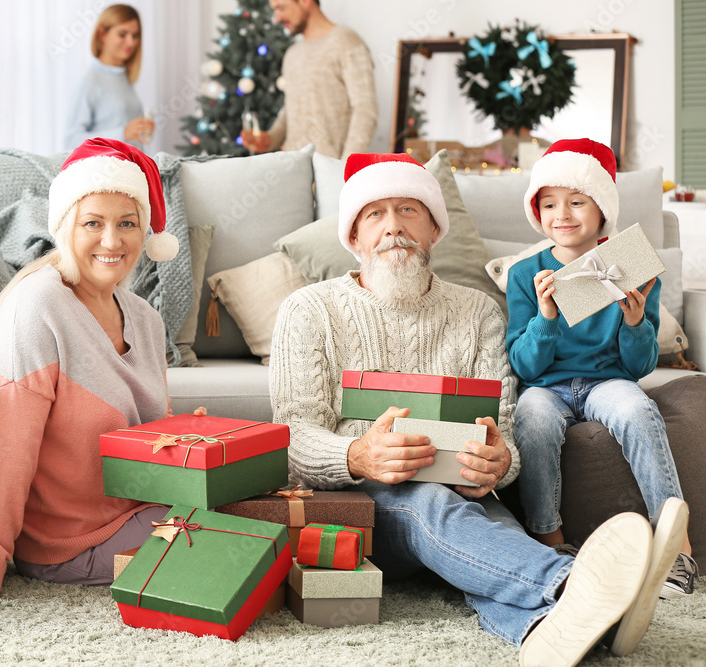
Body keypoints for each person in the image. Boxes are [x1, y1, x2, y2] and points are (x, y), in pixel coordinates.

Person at [268, 151, 687, 665]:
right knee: (428, 505)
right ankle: (576, 580)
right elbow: (289, 437)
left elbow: (507, 433)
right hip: (362, 504)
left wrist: (499, 464)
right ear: (353, 238)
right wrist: (357, 455)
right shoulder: (307, 311)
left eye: (409, 211)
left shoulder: (478, 311)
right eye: (375, 214)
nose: (394, 227)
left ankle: (547, 632)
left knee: (498, 538)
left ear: (434, 231)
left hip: (464, 498)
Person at [0, 138, 178, 599]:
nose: (112, 241)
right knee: (244, 536)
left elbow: (149, 444)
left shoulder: (145, 319)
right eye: (93, 223)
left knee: (259, 505)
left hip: (147, 512)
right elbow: (11, 454)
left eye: (127, 224)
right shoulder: (37, 306)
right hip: (69, 544)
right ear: (66, 227)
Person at [506, 138, 697, 598]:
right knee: (530, 417)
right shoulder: (523, 273)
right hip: (546, 387)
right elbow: (523, 364)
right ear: (537, 212)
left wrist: (634, 322)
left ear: (601, 210)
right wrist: (546, 318)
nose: (562, 214)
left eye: (576, 202)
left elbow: (638, 368)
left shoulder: (626, 264)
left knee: (637, 410)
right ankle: (548, 538)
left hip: (607, 382)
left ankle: (675, 545)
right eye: (549, 204)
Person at [240, 0, 377, 159]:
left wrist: (345, 169)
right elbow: (290, 109)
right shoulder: (292, 53)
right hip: (295, 170)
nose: (276, 18)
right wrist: (269, 139)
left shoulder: (346, 41)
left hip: (330, 174)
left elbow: (365, 109)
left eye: (281, 8)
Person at [64, 4, 154, 151]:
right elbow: (71, 141)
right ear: (102, 34)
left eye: (135, 35)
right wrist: (123, 133)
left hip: (130, 169)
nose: (131, 42)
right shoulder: (91, 81)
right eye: (122, 34)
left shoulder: (123, 79)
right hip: (108, 171)